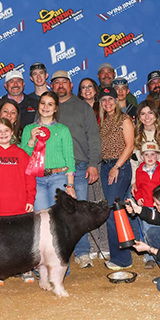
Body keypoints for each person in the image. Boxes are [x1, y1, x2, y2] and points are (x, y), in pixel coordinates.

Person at [0, 117, 37, 285]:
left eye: (6, 131)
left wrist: (30, 199)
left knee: (22, 240)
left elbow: (29, 179)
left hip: (19, 206)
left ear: (12, 133)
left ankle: (25, 269)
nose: (3, 134)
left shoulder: (22, 154)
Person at [54, 70, 103, 266]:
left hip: (80, 165)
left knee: (79, 210)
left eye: (63, 82)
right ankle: (57, 251)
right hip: (55, 168)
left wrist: (93, 163)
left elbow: (93, 137)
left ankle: (82, 251)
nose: (60, 86)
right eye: (56, 83)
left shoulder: (83, 107)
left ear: (70, 85)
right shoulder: (48, 106)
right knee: (56, 213)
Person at [99, 87, 137, 270]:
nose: (107, 103)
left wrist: (116, 167)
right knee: (114, 212)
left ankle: (123, 259)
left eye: (110, 99)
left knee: (115, 212)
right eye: (104, 100)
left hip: (119, 167)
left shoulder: (124, 119)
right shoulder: (103, 122)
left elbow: (130, 146)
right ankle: (119, 256)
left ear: (117, 101)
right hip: (106, 167)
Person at [20, 91, 76, 210]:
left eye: (50, 104)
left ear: (55, 108)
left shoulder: (63, 130)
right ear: (38, 105)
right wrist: (31, 141)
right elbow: (24, 158)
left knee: (58, 219)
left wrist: (70, 185)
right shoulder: (28, 129)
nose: (45, 107)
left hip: (58, 177)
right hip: (36, 179)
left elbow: (69, 157)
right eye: (43, 103)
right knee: (41, 218)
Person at [130, 140, 160, 269]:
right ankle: (149, 256)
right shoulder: (139, 171)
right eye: (146, 155)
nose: (149, 158)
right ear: (142, 157)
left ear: (158, 156)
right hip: (146, 206)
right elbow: (138, 187)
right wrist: (138, 198)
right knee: (146, 230)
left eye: (153, 154)